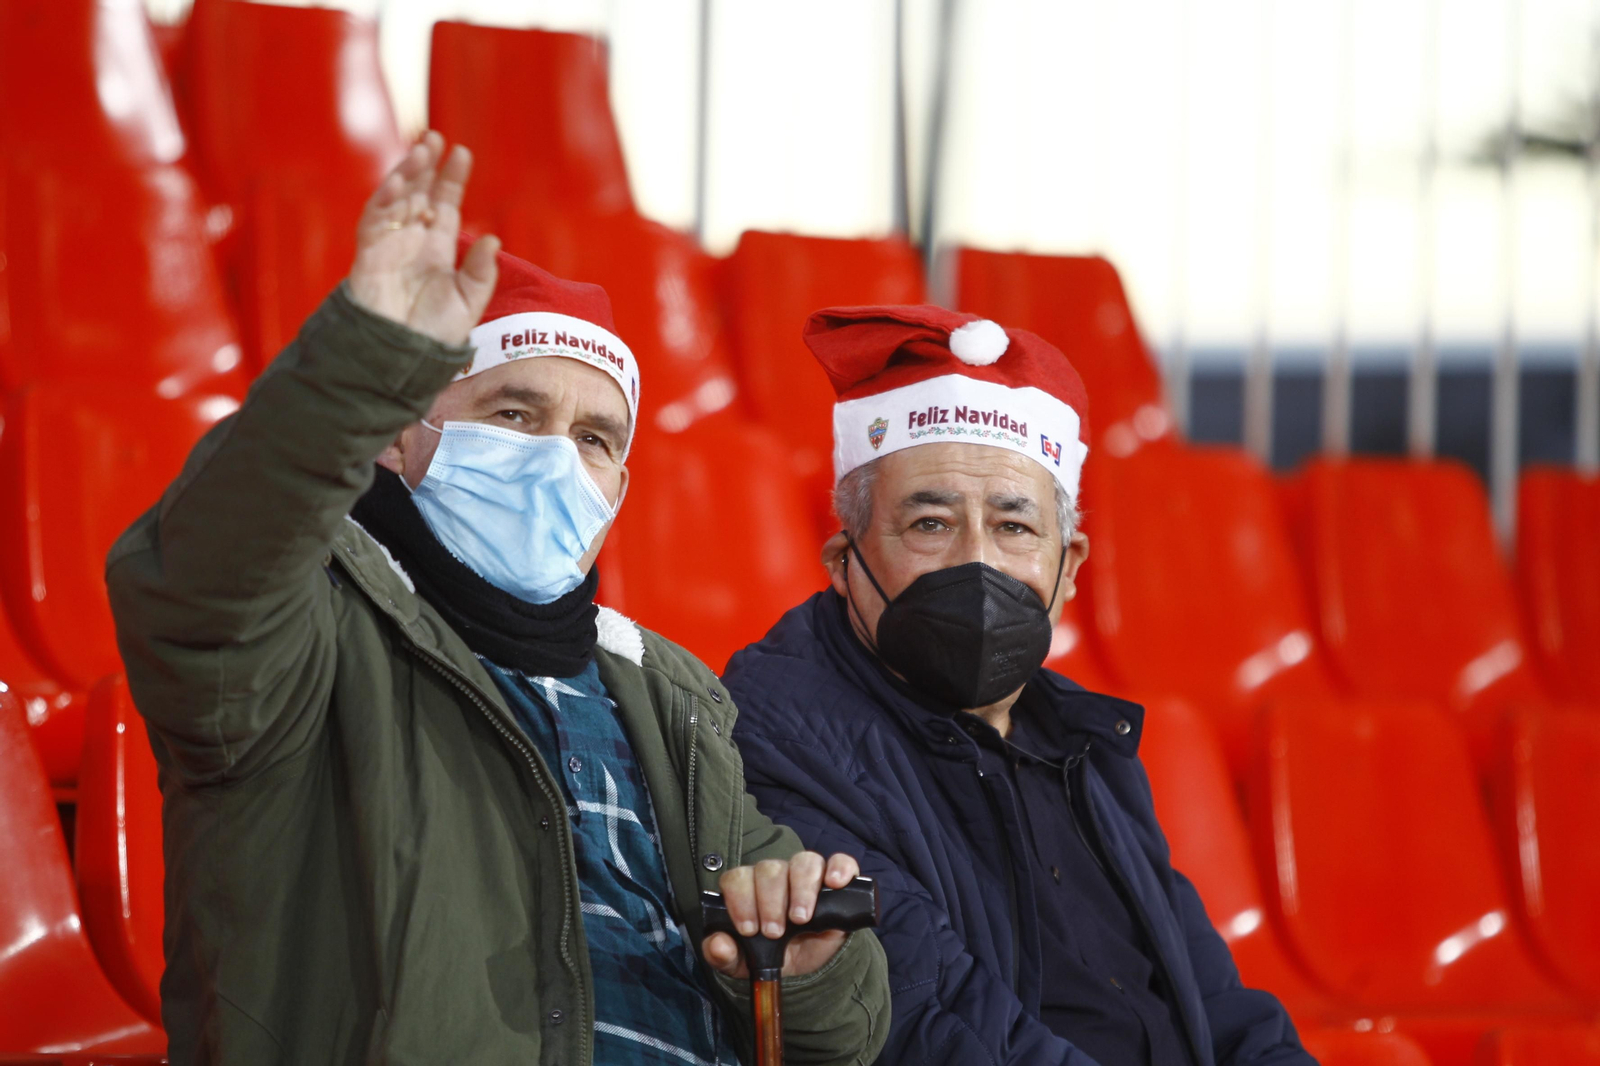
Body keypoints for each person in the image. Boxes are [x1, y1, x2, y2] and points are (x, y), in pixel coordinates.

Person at [106, 134, 888, 1066]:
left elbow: (847, 1034)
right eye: (515, 415)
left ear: (621, 490)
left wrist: (804, 970)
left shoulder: (671, 699)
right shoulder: (303, 631)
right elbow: (203, 575)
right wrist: (364, 356)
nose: (557, 457)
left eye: (595, 438)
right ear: (400, 438)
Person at [721, 305, 1316, 1065]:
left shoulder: (1086, 745)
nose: (978, 563)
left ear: (1069, 570)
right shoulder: (779, 737)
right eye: (931, 524)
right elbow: (937, 1026)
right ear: (844, 561)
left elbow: (1217, 1005)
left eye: (1014, 528)